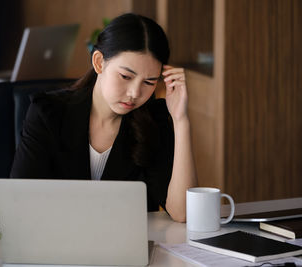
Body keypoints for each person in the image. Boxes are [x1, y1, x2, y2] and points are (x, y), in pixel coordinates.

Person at [10, 13, 198, 222]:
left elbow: (183, 213)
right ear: (99, 62)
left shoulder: (154, 119)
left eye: (149, 82)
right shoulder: (48, 113)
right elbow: (21, 204)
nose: (135, 93)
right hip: (58, 244)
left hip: (127, 248)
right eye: (126, 76)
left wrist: (181, 120)